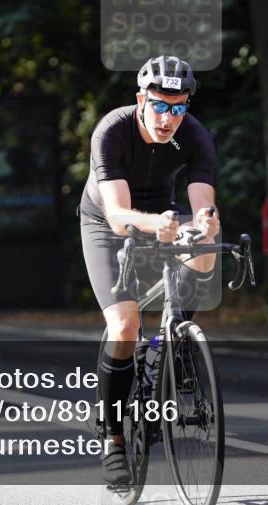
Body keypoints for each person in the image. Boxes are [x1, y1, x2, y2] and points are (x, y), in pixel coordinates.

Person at [78, 55, 220, 486]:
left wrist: (205, 228)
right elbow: (119, 216)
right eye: (160, 105)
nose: (168, 117)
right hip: (106, 220)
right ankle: (114, 435)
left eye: (178, 108)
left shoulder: (195, 136)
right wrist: (154, 225)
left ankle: (176, 342)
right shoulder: (112, 131)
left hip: (164, 212)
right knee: (125, 324)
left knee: (205, 251)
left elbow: (202, 207)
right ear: (140, 99)